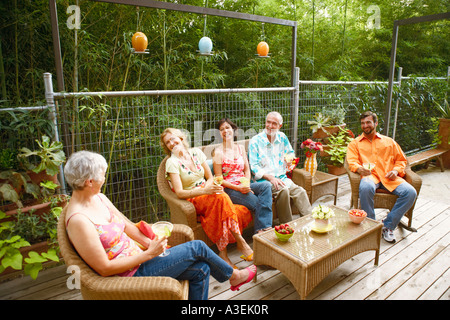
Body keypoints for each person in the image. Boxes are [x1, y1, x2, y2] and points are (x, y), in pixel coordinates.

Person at [63, 150, 256, 300]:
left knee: (202, 269)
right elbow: (104, 268)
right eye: (103, 175)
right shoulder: (79, 221)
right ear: (89, 182)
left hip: (141, 258)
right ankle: (233, 276)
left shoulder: (99, 197)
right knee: (197, 246)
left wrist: (150, 244)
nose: (104, 178)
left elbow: (128, 227)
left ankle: (231, 277)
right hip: (130, 275)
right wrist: (149, 254)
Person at [160, 128, 254, 268]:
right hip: (193, 197)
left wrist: (209, 188)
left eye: (173, 139)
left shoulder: (196, 153)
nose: (172, 143)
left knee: (241, 209)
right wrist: (204, 190)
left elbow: (210, 177)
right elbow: (179, 192)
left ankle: (223, 255)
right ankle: (241, 242)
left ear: (181, 138)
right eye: (168, 142)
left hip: (208, 193)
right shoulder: (172, 162)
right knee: (221, 198)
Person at [346, 111, 417, 243]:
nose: (365, 125)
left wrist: (396, 171)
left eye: (368, 122)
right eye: (362, 123)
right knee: (366, 187)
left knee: (410, 192)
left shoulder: (389, 142)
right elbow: (352, 161)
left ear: (376, 123)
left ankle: (388, 226)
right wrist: (359, 168)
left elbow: (401, 160)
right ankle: (371, 225)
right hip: (370, 175)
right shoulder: (355, 144)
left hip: (389, 176)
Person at [213, 118, 273, 241]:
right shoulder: (218, 153)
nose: (225, 131)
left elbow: (246, 169)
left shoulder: (240, 148)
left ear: (233, 129)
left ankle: (263, 229)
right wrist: (238, 188)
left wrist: (246, 184)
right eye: (222, 129)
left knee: (266, 185)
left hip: (244, 184)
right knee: (258, 202)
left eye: (227, 127)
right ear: (219, 133)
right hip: (230, 189)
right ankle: (261, 233)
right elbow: (219, 179)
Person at [248, 111, 312, 223]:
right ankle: (287, 225)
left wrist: (289, 159)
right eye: (268, 122)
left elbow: (290, 152)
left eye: (274, 123)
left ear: (280, 126)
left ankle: (311, 222)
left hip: (282, 178)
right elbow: (254, 167)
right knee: (284, 191)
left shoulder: (282, 137)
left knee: (300, 191)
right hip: (265, 182)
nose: (270, 126)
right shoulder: (255, 141)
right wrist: (271, 178)